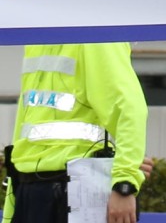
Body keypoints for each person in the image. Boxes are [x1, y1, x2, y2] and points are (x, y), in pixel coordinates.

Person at [2, 44, 148, 223]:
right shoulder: (37, 38)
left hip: (75, 192)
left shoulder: (95, 32)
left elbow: (129, 109)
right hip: (31, 189)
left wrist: (124, 184)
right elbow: (26, 122)